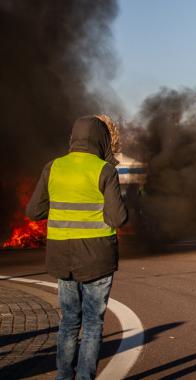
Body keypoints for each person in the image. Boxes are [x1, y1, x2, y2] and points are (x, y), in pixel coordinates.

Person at [25, 116, 127, 380]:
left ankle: (63, 377)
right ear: (102, 139)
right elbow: (118, 218)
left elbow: (34, 211)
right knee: (93, 325)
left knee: (69, 323)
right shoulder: (104, 170)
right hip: (97, 259)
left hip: (62, 258)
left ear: (74, 138)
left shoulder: (53, 167)